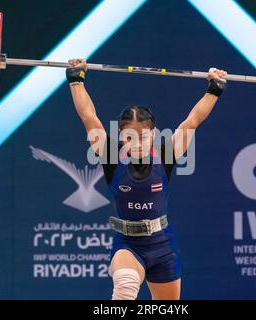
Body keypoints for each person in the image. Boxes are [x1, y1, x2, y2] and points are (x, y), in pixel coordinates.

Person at [66, 58, 227, 300]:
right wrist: (76, 79)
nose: (137, 144)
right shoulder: (110, 155)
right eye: (130, 138)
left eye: (143, 137)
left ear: (153, 134)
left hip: (162, 246)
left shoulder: (166, 153)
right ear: (121, 136)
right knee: (126, 285)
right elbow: (89, 118)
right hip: (128, 245)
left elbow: (192, 121)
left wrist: (214, 88)